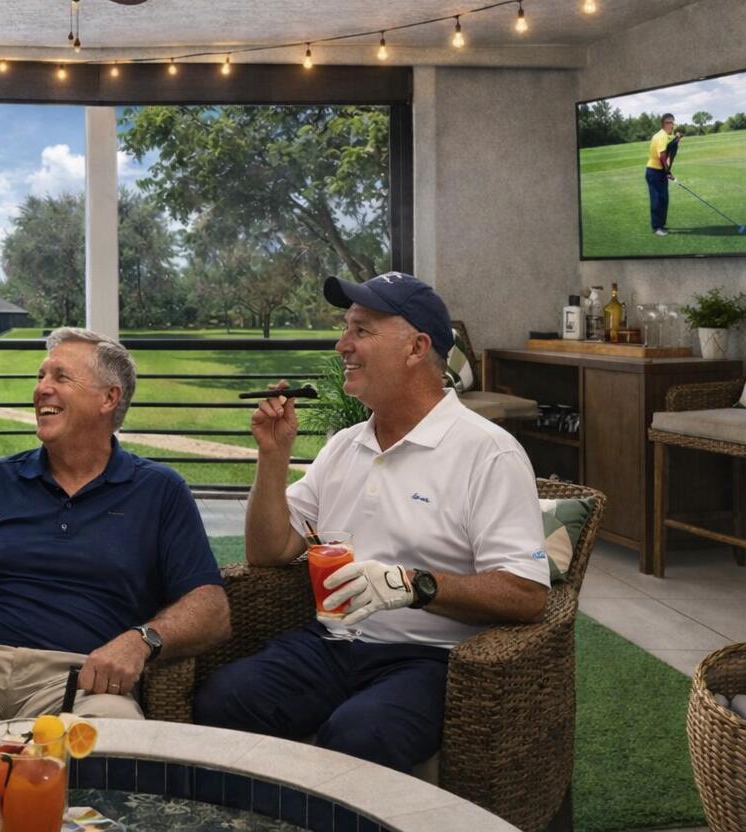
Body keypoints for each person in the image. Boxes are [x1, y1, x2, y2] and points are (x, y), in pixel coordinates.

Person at [192, 272, 550, 773]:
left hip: (427, 657)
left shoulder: (487, 453)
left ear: (415, 347)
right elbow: (268, 552)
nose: (342, 345)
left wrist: (413, 586)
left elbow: (527, 594)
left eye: (361, 330)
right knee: (221, 701)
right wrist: (273, 458)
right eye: (345, 329)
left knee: (359, 737)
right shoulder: (345, 445)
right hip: (331, 643)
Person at [0, 328, 230, 739]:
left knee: (114, 731)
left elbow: (212, 608)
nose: (41, 390)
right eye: (40, 377)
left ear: (109, 398)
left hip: (79, 677)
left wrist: (142, 640)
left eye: (60, 378)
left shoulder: (158, 490)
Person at [646, 113, 681, 235]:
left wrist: (677, 139)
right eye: (670, 123)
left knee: (664, 199)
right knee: (657, 200)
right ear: (664, 124)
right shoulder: (661, 136)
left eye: (673, 122)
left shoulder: (665, 136)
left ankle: (661, 225)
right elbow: (662, 156)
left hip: (660, 171)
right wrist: (668, 172)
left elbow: (668, 149)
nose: (673, 125)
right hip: (654, 172)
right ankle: (656, 227)